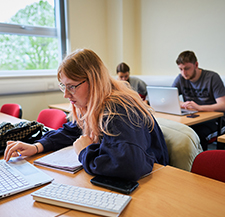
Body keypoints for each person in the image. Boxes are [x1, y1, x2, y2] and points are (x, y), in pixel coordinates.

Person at [4, 49, 168, 181]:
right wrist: (36, 147)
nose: (66, 94)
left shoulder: (118, 109)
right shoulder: (93, 105)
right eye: (63, 86)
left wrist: (85, 152)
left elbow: (129, 165)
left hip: (153, 184)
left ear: (93, 81)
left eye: (72, 87)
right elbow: (71, 130)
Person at [172, 50, 225, 150]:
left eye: (187, 68)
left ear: (196, 65)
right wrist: (183, 104)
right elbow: (171, 98)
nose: (184, 73)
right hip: (194, 118)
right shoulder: (181, 78)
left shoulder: (212, 78)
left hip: (216, 121)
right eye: (181, 69)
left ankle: (201, 164)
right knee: (176, 132)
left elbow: (223, 105)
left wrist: (200, 107)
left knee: (197, 135)